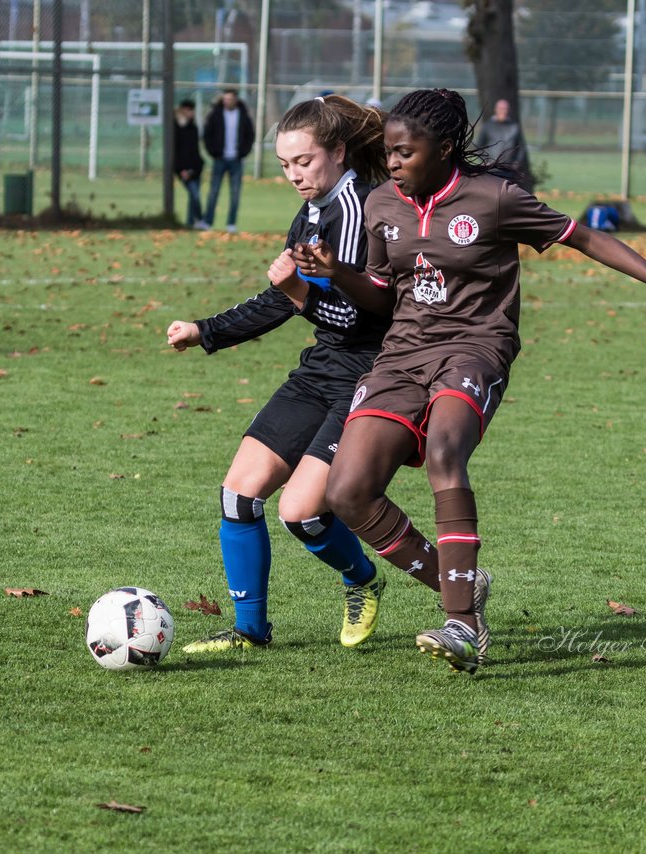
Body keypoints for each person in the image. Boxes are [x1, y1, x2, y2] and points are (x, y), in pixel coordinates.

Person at [292, 88, 646, 673]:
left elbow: (584, 236)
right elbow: (381, 295)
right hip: (401, 357)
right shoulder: (382, 206)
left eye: (405, 153)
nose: (392, 164)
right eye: (389, 153)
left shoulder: (494, 198)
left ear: (444, 149)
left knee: (445, 450)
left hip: (475, 348)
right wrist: (336, 272)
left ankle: (463, 625)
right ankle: (460, 585)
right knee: (347, 493)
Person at [167, 95, 445, 654]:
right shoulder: (312, 212)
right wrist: (208, 329)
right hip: (321, 368)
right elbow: (283, 301)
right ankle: (250, 631)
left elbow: (361, 312)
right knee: (237, 496)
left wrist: (296, 292)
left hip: (372, 375)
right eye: (285, 165)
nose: (295, 175)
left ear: (338, 152)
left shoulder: (365, 209)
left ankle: (363, 580)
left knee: (301, 512)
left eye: (305, 162)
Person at [201, 88, 255, 234]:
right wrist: (213, 151)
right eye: (225, 99)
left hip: (236, 160)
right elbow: (207, 134)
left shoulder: (243, 115)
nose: (228, 102)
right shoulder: (215, 115)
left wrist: (244, 152)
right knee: (213, 192)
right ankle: (207, 222)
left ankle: (231, 223)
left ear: (235, 100)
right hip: (220, 159)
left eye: (230, 99)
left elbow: (250, 135)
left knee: (235, 193)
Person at [474, 98, 530, 186]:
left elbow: (521, 147)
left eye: (506, 109)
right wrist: (485, 161)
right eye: (501, 109)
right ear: (496, 110)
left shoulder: (514, 127)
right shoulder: (488, 126)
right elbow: (479, 146)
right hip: (491, 169)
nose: (504, 111)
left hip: (508, 170)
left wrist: (516, 163)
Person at [173, 99, 208, 230]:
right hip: (182, 170)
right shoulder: (175, 128)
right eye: (189, 110)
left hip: (195, 168)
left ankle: (189, 222)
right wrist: (181, 169)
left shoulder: (193, 128)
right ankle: (200, 219)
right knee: (195, 195)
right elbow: (176, 152)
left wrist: (196, 167)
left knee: (193, 197)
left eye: (192, 110)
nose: (191, 113)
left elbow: (194, 151)